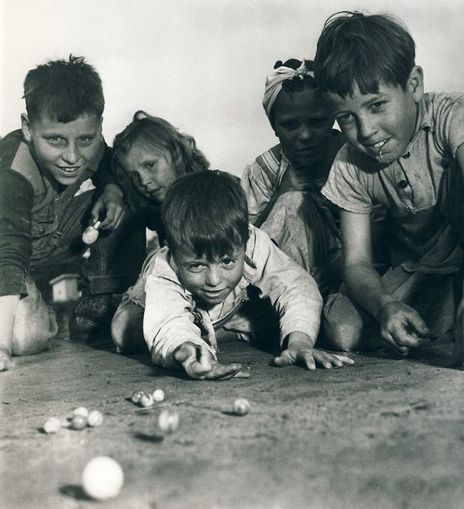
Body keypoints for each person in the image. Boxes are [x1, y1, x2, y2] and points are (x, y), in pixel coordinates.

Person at [312, 11, 464, 362]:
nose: (365, 130)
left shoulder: (456, 116)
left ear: (414, 85)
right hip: (423, 271)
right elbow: (356, 263)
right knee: (343, 330)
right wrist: (385, 306)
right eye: (347, 117)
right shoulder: (349, 163)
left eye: (376, 105)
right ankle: (442, 317)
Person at [111, 170, 354, 379]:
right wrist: (188, 354)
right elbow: (167, 323)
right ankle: (207, 332)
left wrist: (300, 342)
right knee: (125, 331)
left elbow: (296, 286)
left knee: (285, 315)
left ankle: (214, 328)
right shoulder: (164, 267)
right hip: (153, 306)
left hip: (225, 309)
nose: (214, 280)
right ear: (173, 252)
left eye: (227, 261)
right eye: (196, 266)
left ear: (245, 241)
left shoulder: (253, 241)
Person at [0, 55, 145, 370]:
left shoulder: (89, 148)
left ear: (98, 128)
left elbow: (108, 163)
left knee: (132, 191)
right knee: (23, 339)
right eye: (55, 140)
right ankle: (45, 311)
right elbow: (8, 254)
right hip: (8, 258)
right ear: (28, 127)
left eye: (85, 139)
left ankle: (104, 302)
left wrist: (112, 190)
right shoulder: (13, 169)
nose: (72, 156)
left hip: (50, 245)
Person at [240, 59, 345, 296]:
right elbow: (243, 243)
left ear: (332, 117)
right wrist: (282, 193)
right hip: (277, 279)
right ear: (274, 126)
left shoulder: (352, 157)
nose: (305, 135)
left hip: (346, 269)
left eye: (316, 122)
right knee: (290, 203)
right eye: (290, 125)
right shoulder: (264, 169)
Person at [111, 110, 210, 244]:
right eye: (134, 175)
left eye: (150, 165)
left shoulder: (214, 194)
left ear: (176, 153)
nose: (144, 181)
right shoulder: (155, 208)